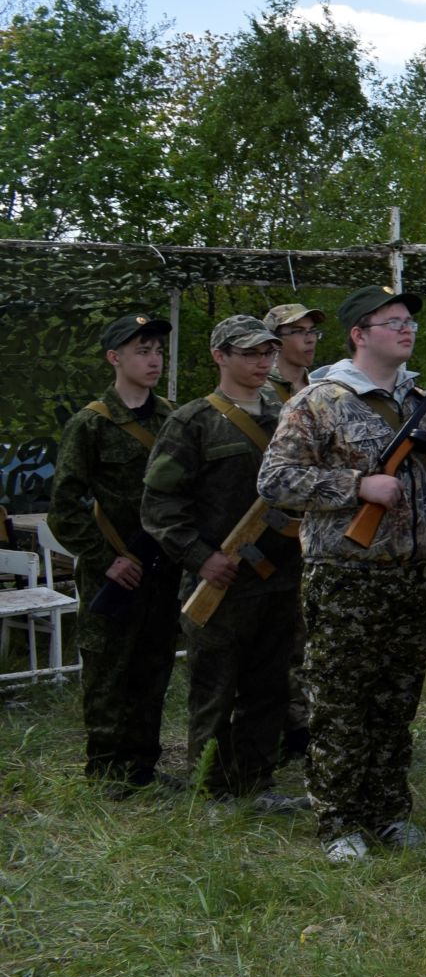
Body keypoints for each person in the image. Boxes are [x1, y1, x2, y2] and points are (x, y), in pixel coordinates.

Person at [257, 284, 426, 862]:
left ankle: (388, 811)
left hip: (418, 577)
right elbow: (275, 481)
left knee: (396, 702)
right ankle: (339, 819)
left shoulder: (424, 400)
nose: (406, 330)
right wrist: (356, 487)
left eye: (409, 322)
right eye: (392, 321)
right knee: (343, 701)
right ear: (359, 334)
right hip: (349, 575)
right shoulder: (320, 400)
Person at [140, 316, 305, 810]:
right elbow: (160, 504)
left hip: (281, 576)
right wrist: (199, 556)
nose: (262, 362)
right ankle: (209, 791)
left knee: (269, 686)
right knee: (214, 691)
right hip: (221, 579)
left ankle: (257, 784)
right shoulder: (192, 422)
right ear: (220, 356)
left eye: (267, 352)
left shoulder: (289, 416)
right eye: (249, 352)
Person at [47, 313, 181, 794]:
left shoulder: (172, 417)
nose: (153, 359)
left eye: (158, 351)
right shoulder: (91, 424)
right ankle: (106, 769)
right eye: (142, 350)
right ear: (114, 357)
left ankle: (143, 766)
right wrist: (106, 559)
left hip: (163, 566)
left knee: (154, 664)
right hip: (113, 569)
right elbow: (64, 506)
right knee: (108, 670)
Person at [262, 302, 325, 759]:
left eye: (311, 331)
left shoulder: (325, 387)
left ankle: (308, 722)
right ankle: (285, 725)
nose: (307, 339)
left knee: (313, 631)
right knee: (281, 633)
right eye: (296, 331)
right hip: (273, 527)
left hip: (318, 522)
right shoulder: (260, 392)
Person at [263, 304, 324, 402]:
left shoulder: (321, 387)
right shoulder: (260, 392)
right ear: (275, 342)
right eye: (299, 331)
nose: (311, 339)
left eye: (312, 330)